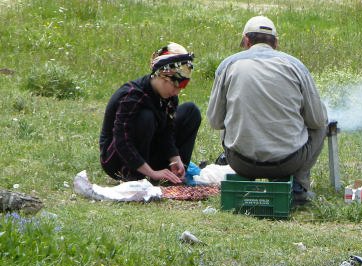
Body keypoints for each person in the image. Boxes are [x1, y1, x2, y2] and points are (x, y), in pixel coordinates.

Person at [207, 16, 328, 204]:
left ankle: (248, 182)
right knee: (323, 123)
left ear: (246, 41)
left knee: (226, 118)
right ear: (276, 43)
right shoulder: (296, 66)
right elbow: (317, 121)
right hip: (288, 163)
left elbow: (215, 121)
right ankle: (299, 186)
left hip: (241, 163)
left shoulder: (228, 65)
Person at [99, 43, 201, 184]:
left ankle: (177, 174)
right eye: (176, 85)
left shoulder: (169, 98)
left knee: (191, 111)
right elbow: (121, 140)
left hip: (148, 152)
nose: (177, 91)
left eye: (182, 87)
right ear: (161, 76)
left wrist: (175, 158)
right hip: (119, 159)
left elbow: (166, 132)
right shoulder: (132, 96)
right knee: (146, 117)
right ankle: (135, 176)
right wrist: (151, 173)